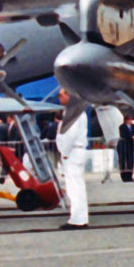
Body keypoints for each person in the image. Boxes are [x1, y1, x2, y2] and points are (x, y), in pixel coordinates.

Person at [56, 90, 88, 230]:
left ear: (69, 96)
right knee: (74, 186)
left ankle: (78, 219)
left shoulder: (74, 111)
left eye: (61, 95)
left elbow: (70, 134)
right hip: (73, 151)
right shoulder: (75, 110)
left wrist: (64, 152)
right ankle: (78, 217)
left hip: (72, 152)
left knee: (74, 187)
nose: (59, 98)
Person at [117, 115, 134, 182]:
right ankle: (124, 176)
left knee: (130, 160)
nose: (130, 121)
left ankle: (130, 176)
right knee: (123, 160)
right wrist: (131, 137)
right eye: (129, 120)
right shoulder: (122, 127)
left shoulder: (133, 126)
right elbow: (123, 135)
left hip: (131, 145)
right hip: (124, 144)